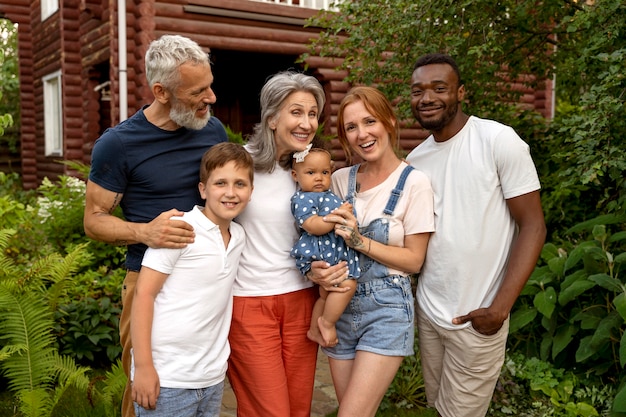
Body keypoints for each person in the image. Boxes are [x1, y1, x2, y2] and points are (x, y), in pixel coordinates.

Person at [83, 34, 227, 417]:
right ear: (161, 91)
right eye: (199, 91)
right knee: (145, 395)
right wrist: (145, 232)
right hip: (150, 286)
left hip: (208, 286)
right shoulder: (118, 145)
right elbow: (94, 221)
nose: (211, 98)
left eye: (210, 85)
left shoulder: (212, 131)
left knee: (203, 390)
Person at [406, 53, 547, 417]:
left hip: (478, 317)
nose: (427, 98)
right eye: (418, 90)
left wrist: (499, 310)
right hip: (431, 312)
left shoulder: (498, 140)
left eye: (439, 88)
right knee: (439, 405)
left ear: (461, 92)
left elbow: (533, 226)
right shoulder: (416, 160)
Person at [309, 86, 435, 417]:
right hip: (339, 309)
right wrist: (316, 271)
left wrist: (359, 241)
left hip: (387, 309)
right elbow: (321, 242)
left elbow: (414, 260)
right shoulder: (338, 180)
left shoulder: (414, 183)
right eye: (351, 127)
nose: (362, 134)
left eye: (369, 121)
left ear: (389, 121)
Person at [227, 70, 341, 417]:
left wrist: (323, 268)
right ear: (272, 117)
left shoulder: (313, 172)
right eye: (296, 112)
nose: (307, 123)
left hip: (302, 301)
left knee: (297, 408)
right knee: (269, 410)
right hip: (250, 303)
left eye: (312, 114)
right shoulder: (240, 164)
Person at [130, 143, 253, 416]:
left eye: (240, 184)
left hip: (211, 376)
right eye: (220, 183)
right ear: (203, 189)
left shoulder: (239, 237)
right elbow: (143, 295)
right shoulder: (179, 230)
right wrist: (144, 367)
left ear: (251, 191)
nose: (231, 193)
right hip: (167, 378)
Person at [289, 146, 359, 348]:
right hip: (320, 249)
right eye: (311, 173)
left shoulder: (328, 194)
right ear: (296, 175)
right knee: (347, 285)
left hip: (332, 250)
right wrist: (339, 214)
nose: (318, 178)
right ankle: (327, 323)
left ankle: (313, 330)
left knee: (325, 294)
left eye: (324, 172)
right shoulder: (302, 198)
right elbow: (313, 226)